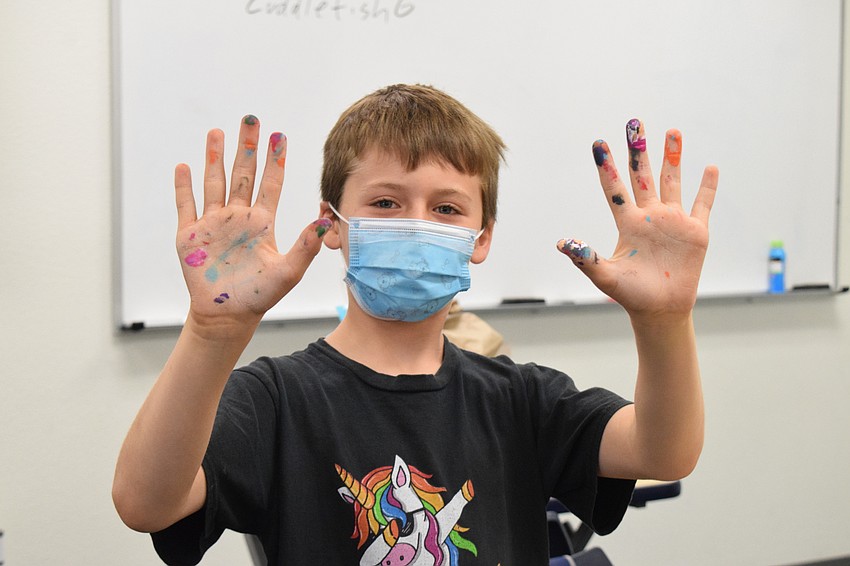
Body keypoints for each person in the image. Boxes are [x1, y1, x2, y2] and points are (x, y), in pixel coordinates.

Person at [112, 84, 718, 565]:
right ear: (332, 223)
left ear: (481, 239)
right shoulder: (275, 400)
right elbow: (144, 503)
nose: (416, 224)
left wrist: (664, 321)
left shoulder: (521, 399)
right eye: (385, 202)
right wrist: (212, 332)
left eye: (447, 208)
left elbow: (665, 451)